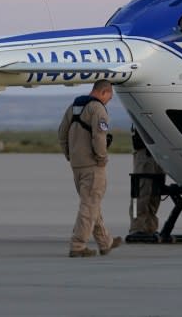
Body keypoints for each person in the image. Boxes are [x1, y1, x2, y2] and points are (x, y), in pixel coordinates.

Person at [58, 79, 122, 257]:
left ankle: (105, 242)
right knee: (89, 205)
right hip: (92, 165)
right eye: (109, 97)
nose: (109, 100)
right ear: (104, 92)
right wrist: (102, 158)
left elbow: (61, 133)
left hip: (77, 164)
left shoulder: (74, 106)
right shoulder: (97, 109)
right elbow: (99, 137)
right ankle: (78, 246)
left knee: (92, 204)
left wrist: (70, 155)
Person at [128, 126, 164, 237]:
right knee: (140, 193)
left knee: (155, 194)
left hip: (157, 154)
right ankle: (136, 227)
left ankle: (150, 227)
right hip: (145, 154)